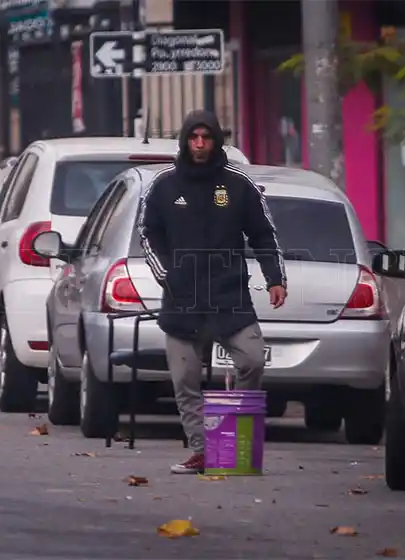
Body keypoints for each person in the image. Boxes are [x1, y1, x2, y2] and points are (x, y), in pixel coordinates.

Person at [137, 110, 287, 475]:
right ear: (185, 141)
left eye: (207, 138)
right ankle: (202, 450)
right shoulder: (164, 186)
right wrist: (167, 274)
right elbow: (148, 233)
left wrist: (274, 278)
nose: (200, 145)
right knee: (184, 380)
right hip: (182, 298)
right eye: (194, 138)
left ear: (217, 141)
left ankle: (233, 446)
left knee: (252, 359)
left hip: (229, 296)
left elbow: (264, 235)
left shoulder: (238, 184)